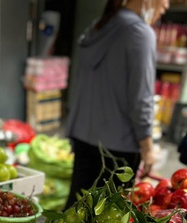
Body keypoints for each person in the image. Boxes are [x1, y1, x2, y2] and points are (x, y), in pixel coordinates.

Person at [64, 0, 168, 209]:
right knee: (105, 220)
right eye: (163, 5)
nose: (162, 11)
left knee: (76, 212)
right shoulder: (140, 33)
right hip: (117, 148)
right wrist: (147, 148)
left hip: (84, 136)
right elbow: (141, 98)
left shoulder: (98, 27)